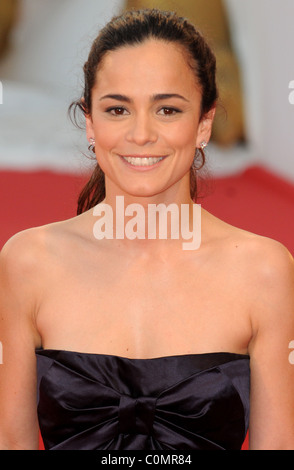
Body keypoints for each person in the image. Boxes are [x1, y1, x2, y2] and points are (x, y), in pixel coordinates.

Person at [0, 8, 294, 451]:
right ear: (90, 123)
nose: (141, 134)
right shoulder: (26, 263)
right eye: (118, 108)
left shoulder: (265, 272)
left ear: (205, 123)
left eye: (167, 109)